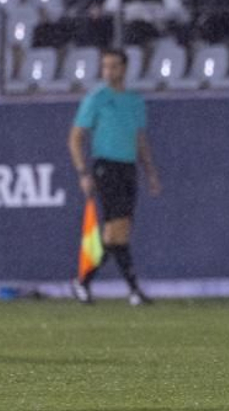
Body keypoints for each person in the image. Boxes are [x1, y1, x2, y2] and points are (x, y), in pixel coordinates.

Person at [68, 48, 161, 306]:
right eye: (105, 66)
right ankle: (131, 291)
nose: (108, 71)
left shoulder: (134, 100)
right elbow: (76, 138)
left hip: (127, 167)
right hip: (106, 167)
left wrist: (149, 171)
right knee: (116, 230)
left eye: (114, 66)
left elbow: (140, 139)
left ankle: (84, 283)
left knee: (117, 235)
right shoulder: (96, 98)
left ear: (124, 68)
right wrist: (83, 172)